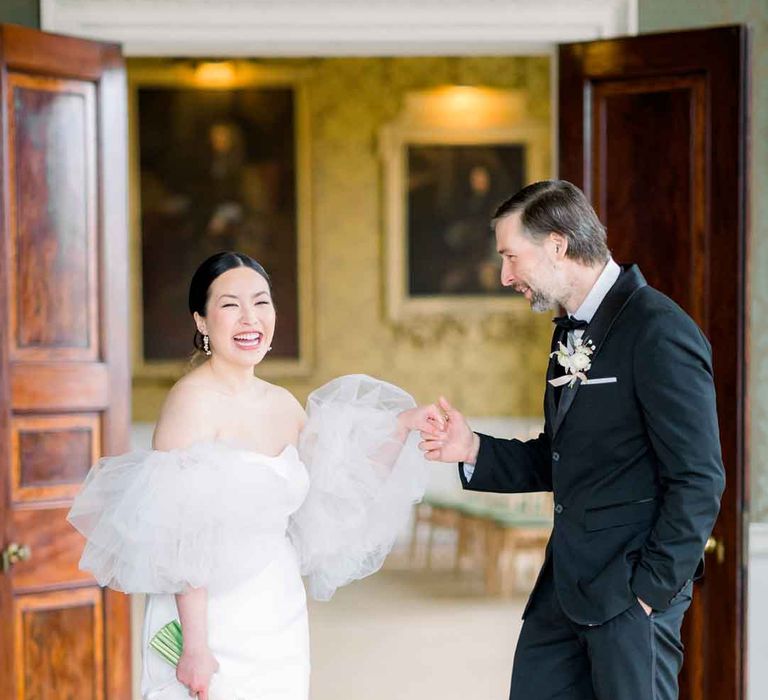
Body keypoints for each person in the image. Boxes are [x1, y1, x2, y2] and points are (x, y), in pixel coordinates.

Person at [69, 251, 442, 700]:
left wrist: (401, 427)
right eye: (230, 305)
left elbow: (337, 486)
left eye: (261, 302)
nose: (250, 318)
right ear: (202, 321)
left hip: (276, 606)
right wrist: (196, 647)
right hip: (210, 617)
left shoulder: (283, 403)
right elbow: (182, 536)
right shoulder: (190, 404)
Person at [418, 180, 725, 700]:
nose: (504, 275)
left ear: (557, 245)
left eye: (511, 257)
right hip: (563, 589)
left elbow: (699, 478)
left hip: (629, 595)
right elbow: (560, 456)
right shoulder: (569, 332)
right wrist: (473, 448)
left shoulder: (658, 330)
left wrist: (649, 593)